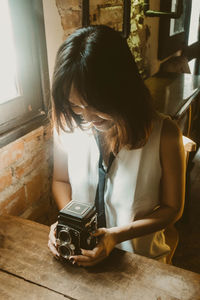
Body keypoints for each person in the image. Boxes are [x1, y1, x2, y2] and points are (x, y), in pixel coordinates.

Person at [48, 25, 185, 266]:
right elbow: (60, 181)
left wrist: (117, 236)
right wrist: (67, 221)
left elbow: (172, 208)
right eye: (76, 106)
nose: (87, 117)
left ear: (121, 89)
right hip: (81, 258)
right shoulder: (70, 126)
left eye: (95, 103)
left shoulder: (165, 135)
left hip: (140, 261)